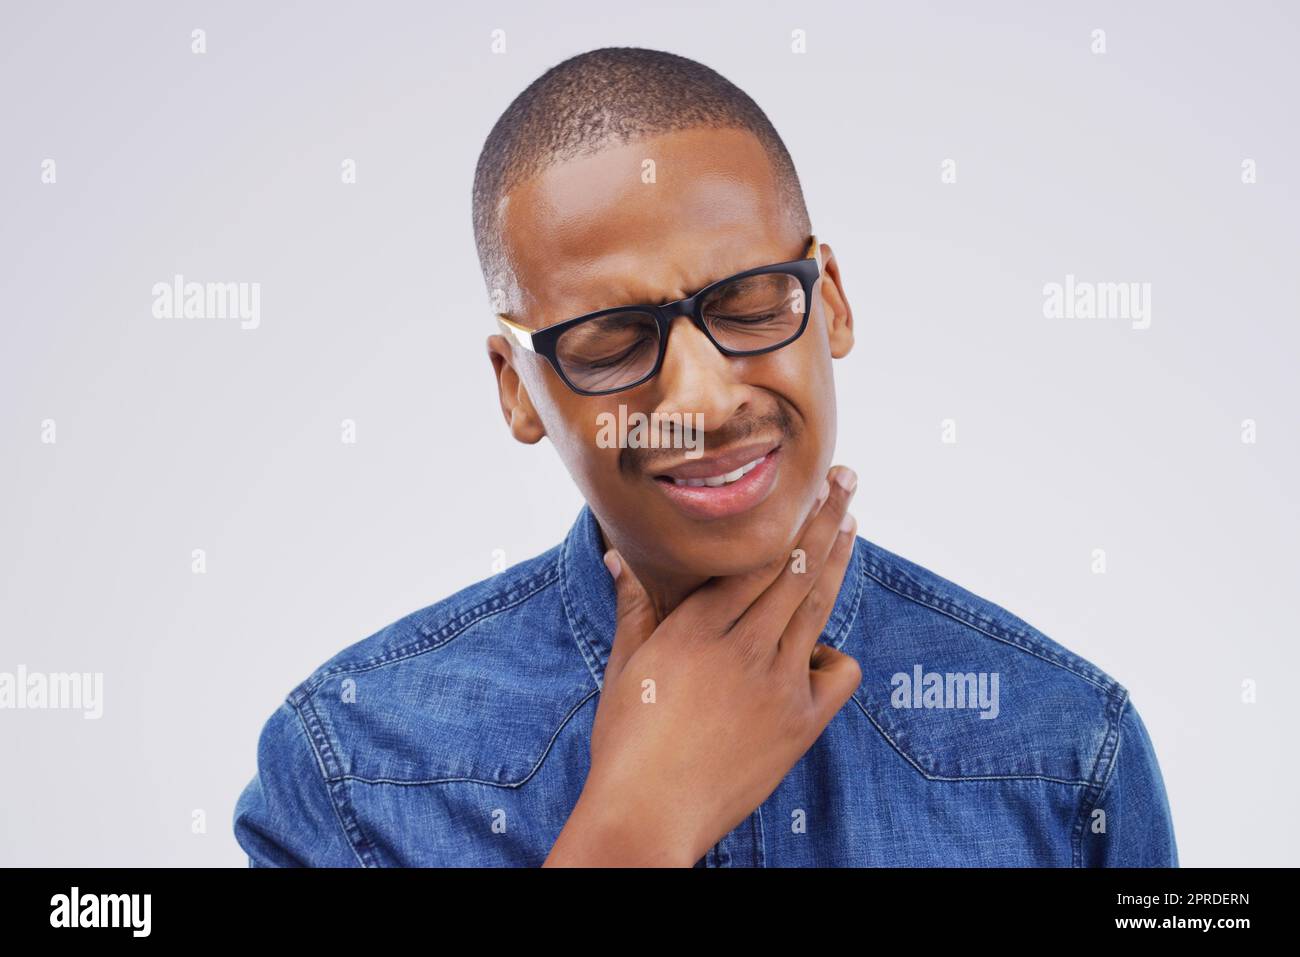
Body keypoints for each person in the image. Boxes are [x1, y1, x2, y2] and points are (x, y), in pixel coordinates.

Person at [233, 46, 1178, 867]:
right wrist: (635, 827)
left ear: (831, 303)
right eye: (612, 341)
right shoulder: (349, 770)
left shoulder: (1067, 749)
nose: (704, 403)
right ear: (517, 389)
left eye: (751, 303)